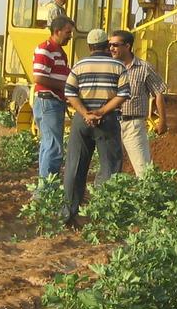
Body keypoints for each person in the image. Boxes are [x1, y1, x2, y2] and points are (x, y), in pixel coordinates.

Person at [62, 28, 130, 224]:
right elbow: (123, 94)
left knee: (75, 167)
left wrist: (85, 113)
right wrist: (100, 112)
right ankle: (104, 216)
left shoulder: (79, 65)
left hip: (82, 122)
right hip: (107, 121)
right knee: (110, 167)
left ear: (90, 46)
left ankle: (68, 214)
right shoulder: (118, 66)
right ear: (106, 46)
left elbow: (70, 92)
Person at [107, 29, 167, 176]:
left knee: (143, 169)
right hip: (111, 123)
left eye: (115, 45)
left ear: (127, 46)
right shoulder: (109, 67)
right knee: (109, 167)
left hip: (133, 124)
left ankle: (148, 196)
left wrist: (163, 121)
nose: (111, 48)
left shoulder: (144, 68)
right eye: (110, 45)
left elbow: (158, 93)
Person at [32, 16, 74, 177]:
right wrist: (67, 87)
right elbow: (39, 77)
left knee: (48, 145)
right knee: (53, 148)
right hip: (49, 102)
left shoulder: (58, 51)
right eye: (68, 32)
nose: (70, 36)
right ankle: (47, 191)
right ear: (57, 31)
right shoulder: (46, 49)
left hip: (52, 102)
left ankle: (45, 188)